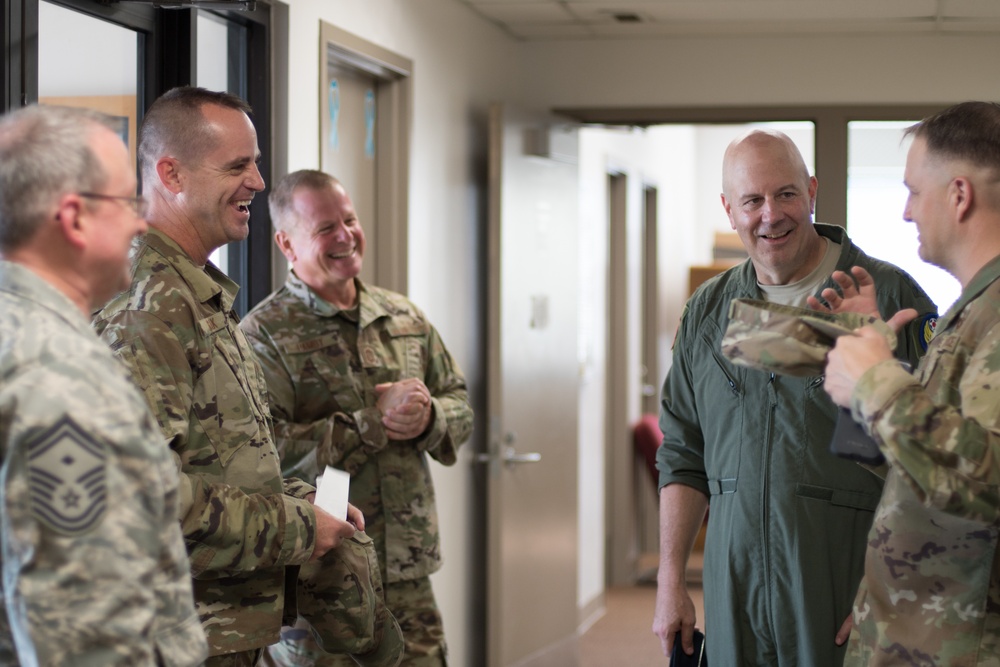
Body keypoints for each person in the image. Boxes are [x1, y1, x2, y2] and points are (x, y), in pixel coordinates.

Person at [93, 88, 401, 666]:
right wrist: (297, 524)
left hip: (226, 635)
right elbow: (136, 498)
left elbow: (213, 459)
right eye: (238, 165)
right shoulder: (149, 307)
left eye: (255, 163)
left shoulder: (194, 291)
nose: (259, 182)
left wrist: (302, 501)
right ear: (171, 174)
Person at [651, 129, 938, 666]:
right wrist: (670, 579)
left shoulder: (889, 294)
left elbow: (936, 460)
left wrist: (900, 588)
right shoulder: (709, 312)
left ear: (812, 192)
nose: (770, 215)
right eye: (752, 200)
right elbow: (682, 453)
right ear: (729, 210)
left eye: (785, 194)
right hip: (733, 589)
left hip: (843, 583)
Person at [240, 170, 474, 666]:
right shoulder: (262, 335)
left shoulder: (403, 318)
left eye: (349, 219)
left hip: (407, 572)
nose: (346, 236)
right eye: (326, 228)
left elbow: (459, 401)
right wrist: (371, 422)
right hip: (320, 576)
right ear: (287, 243)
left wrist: (430, 417)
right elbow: (263, 454)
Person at [0, 104, 207, 665]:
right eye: (127, 203)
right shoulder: (62, 380)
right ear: (74, 218)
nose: (142, 222)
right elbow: (85, 633)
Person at [821, 101, 1000, 664]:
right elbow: (925, 459)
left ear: (959, 195)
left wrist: (875, 383)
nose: (905, 212)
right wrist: (870, 372)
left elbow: (982, 478)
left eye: (914, 192)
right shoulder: (969, 311)